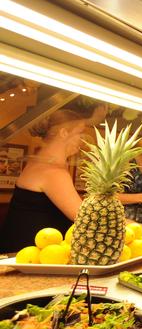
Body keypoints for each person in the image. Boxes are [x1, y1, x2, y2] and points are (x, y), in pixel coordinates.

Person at [0, 104, 98, 253]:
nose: (82, 140)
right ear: (64, 133)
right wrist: (129, 225)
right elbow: (86, 219)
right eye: (80, 133)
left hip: (27, 252)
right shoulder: (53, 172)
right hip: (31, 257)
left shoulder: (40, 162)